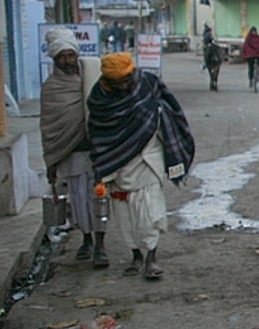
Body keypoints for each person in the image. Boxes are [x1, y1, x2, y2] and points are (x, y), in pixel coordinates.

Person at [87, 52, 194, 280]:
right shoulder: (99, 98)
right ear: (107, 81)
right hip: (117, 164)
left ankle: (151, 258)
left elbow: (171, 108)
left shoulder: (147, 83)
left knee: (150, 212)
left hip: (147, 157)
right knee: (125, 217)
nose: (123, 86)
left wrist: (165, 124)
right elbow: (97, 131)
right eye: (116, 83)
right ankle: (135, 255)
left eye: (125, 80)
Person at [40, 28, 107, 268]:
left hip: (96, 152)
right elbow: (49, 127)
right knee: (78, 202)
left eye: (71, 55)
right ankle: (86, 240)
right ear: (55, 58)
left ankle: (100, 245)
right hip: (71, 154)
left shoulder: (92, 76)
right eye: (62, 57)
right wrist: (51, 162)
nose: (68, 61)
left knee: (99, 199)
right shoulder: (51, 89)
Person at [241, 26, 259, 90]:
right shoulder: (248, 38)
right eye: (252, 31)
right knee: (250, 67)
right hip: (250, 55)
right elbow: (246, 47)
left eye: (254, 31)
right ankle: (251, 79)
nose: (253, 33)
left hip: (258, 54)